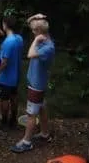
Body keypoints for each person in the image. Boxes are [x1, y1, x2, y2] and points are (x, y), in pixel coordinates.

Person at [11, 14, 55, 153]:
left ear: (39, 33)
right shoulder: (45, 38)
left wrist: (35, 41)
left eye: (34, 31)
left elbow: (29, 54)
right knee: (41, 107)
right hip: (38, 82)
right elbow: (30, 24)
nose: (32, 32)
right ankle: (44, 133)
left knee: (31, 114)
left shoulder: (47, 47)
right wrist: (35, 17)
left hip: (37, 85)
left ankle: (26, 142)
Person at [0, 15, 24, 129]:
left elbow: (4, 62)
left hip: (5, 77)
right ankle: (13, 120)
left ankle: (4, 121)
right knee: (14, 96)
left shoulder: (8, 42)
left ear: (5, 25)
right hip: (16, 74)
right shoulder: (19, 38)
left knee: (4, 99)